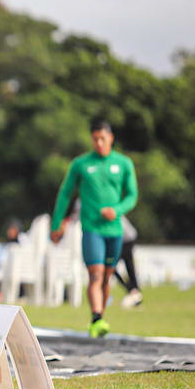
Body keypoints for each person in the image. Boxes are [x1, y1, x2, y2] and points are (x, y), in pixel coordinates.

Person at [50, 119, 138, 338]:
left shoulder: (124, 163)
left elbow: (132, 195)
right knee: (96, 274)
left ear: (111, 138)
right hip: (91, 230)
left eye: (103, 139)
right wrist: (56, 224)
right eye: (95, 139)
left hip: (115, 231)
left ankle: (100, 319)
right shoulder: (81, 164)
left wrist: (117, 210)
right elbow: (65, 193)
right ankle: (96, 317)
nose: (99, 143)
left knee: (107, 277)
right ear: (92, 139)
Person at [116, 215, 143, 308]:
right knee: (128, 267)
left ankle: (133, 290)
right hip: (126, 239)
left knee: (112, 266)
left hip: (127, 240)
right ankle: (134, 291)